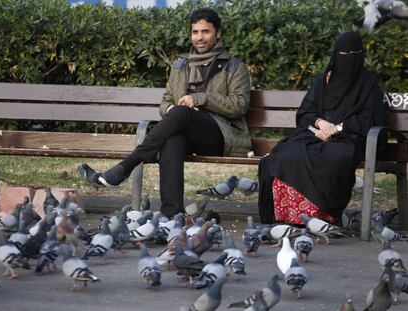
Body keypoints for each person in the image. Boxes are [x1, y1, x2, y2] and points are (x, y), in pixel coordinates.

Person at [82, 8, 251, 218]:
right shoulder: (181, 65)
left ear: (218, 33)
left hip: (220, 135)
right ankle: (172, 215)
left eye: (205, 32)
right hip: (185, 128)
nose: (199, 37)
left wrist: (200, 99)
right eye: (195, 32)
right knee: (172, 141)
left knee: (182, 113)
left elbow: (240, 105)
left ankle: (126, 166)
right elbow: (165, 102)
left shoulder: (234, 66)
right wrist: (169, 109)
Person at [258, 32, 385, 226]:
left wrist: (338, 128)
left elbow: (370, 119)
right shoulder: (323, 81)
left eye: (354, 53)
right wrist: (321, 123)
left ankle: (322, 216)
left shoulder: (368, 84)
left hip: (349, 138)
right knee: (287, 153)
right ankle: (289, 215)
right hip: (314, 134)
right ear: (336, 54)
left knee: (335, 157)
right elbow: (305, 112)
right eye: (344, 53)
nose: (348, 58)